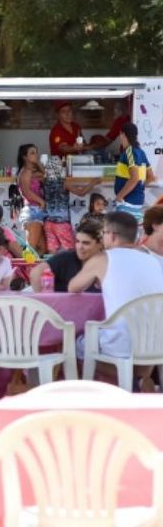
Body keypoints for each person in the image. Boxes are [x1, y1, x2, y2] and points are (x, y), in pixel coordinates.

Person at [69, 212, 163, 374]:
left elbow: (73, 287)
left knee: (73, 345)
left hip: (120, 346)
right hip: (156, 343)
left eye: (103, 234)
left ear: (112, 236)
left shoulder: (103, 258)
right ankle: (137, 381)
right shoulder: (153, 260)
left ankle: (92, 392)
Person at [43, 154, 101, 254]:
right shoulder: (63, 182)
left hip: (48, 223)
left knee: (52, 252)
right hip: (62, 223)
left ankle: (53, 269)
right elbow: (81, 192)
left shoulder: (45, 182)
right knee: (71, 252)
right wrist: (93, 182)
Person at [29, 219, 103, 293]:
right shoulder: (66, 258)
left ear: (100, 244)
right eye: (77, 241)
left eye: (86, 243)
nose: (80, 247)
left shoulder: (108, 262)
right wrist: (46, 300)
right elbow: (35, 273)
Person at [114, 122, 151, 222]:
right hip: (138, 202)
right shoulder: (141, 152)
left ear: (122, 134)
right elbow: (151, 176)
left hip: (127, 202)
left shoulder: (129, 152)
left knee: (123, 235)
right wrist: (139, 188)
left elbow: (134, 178)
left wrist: (119, 196)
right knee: (132, 235)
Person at [16, 144, 47, 254]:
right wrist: (41, 201)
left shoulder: (31, 170)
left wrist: (38, 162)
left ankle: (30, 269)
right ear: (25, 157)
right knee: (31, 250)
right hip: (33, 210)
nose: (36, 155)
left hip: (34, 210)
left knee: (42, 248)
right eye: (32, 153)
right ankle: (23, 270)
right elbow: (26, 192)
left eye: (36, 152)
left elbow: (45, 175)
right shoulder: (26, 172)